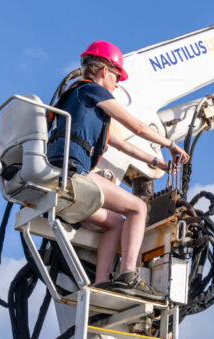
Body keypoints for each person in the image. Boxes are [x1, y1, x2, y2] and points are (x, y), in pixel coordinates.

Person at [47, 40, 190, 297]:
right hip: (73, 176)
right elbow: (137, 128)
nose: (117, 84)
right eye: (116, 76)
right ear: (103, 71)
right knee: (138, 207)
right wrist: (170, 144)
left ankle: (101, 282)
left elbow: (122, 144)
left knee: (115, 222)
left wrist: (157, 163)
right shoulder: (93, 91)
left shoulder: (76, 100)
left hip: (58, 179)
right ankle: (128, 275)